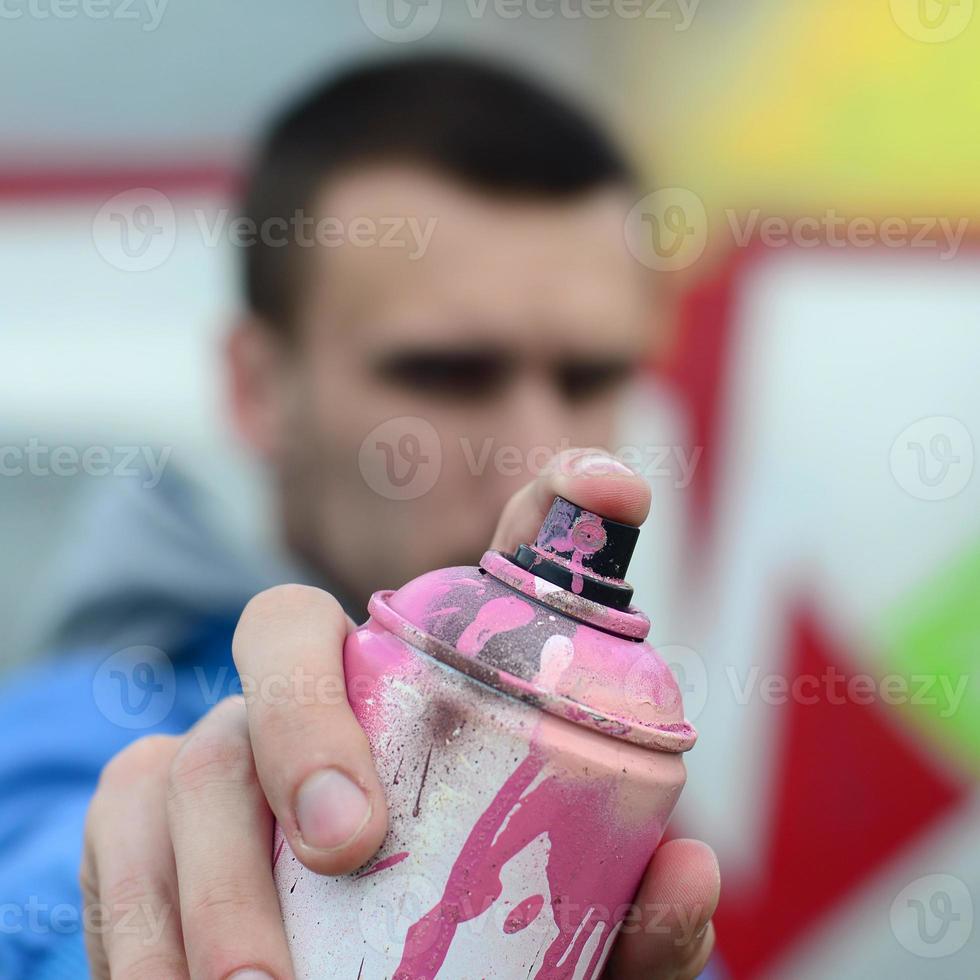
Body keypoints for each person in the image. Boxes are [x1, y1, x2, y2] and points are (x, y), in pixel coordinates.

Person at [0, 54, 720, 979]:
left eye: (589, 378)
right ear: (257, 387)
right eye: (446, 374)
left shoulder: (603, 775)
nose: (539, 450)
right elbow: (67, 879)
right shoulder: (67, 742)